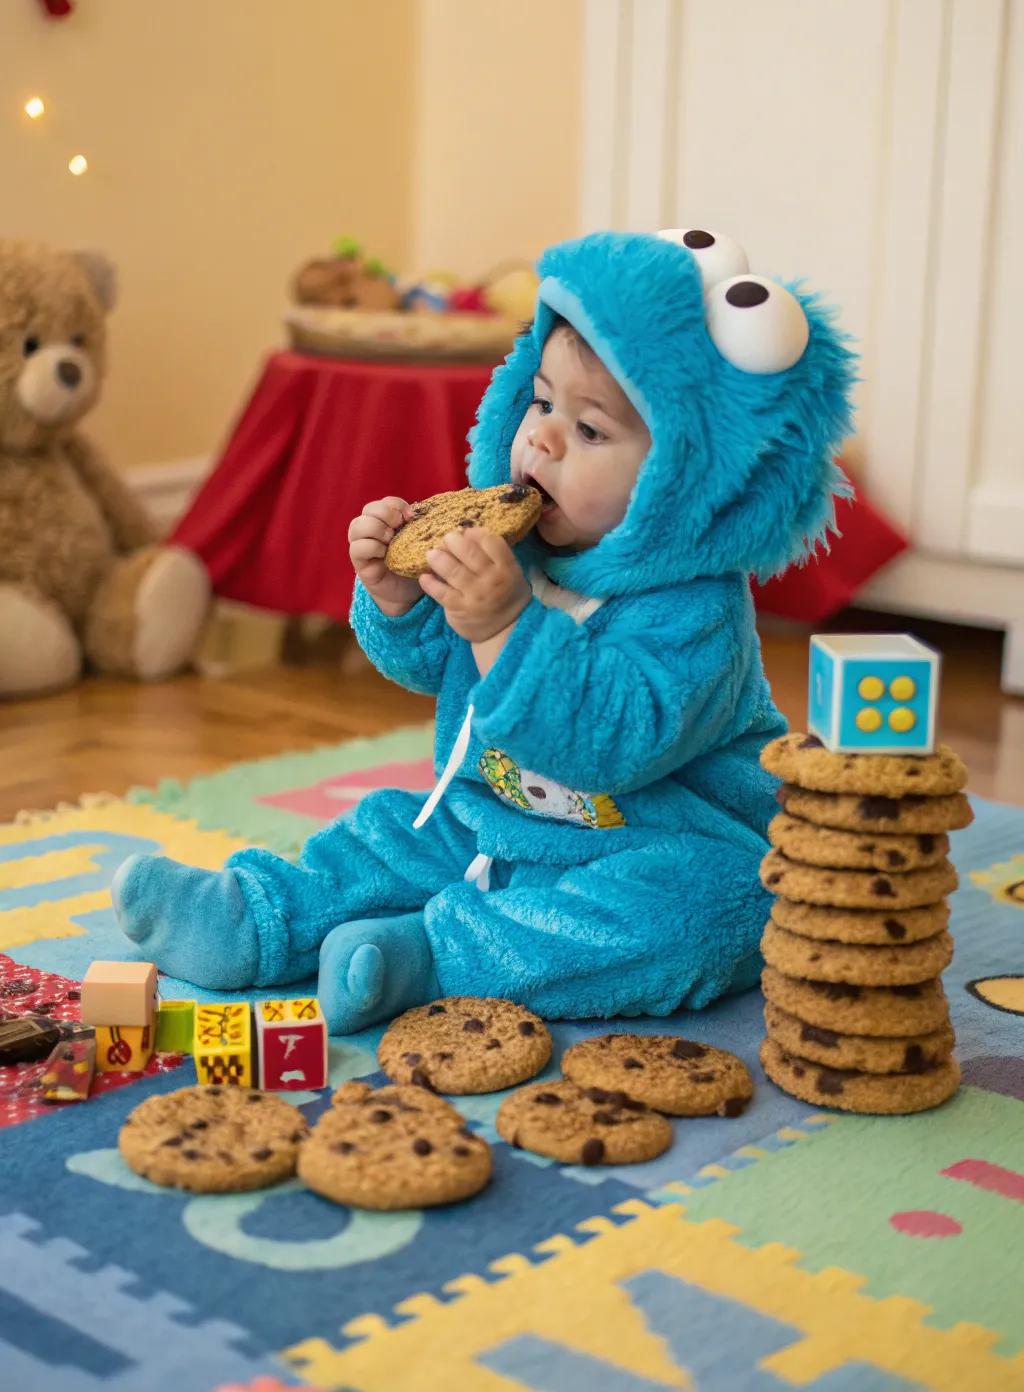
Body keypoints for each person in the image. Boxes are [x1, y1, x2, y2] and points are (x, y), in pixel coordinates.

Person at [113, 227, 855, 1032]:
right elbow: (441, 668)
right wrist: (403, 600)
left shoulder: (696, 611)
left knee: (713, 912)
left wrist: (506, 622)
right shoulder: (522, 543)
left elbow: (617, 740)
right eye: (539, 402)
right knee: (384, 832)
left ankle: (431, 958)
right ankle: (251, 918)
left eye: (591, 430)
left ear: (684, 477)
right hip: (487, 822)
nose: (540, 437)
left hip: (653, 846)